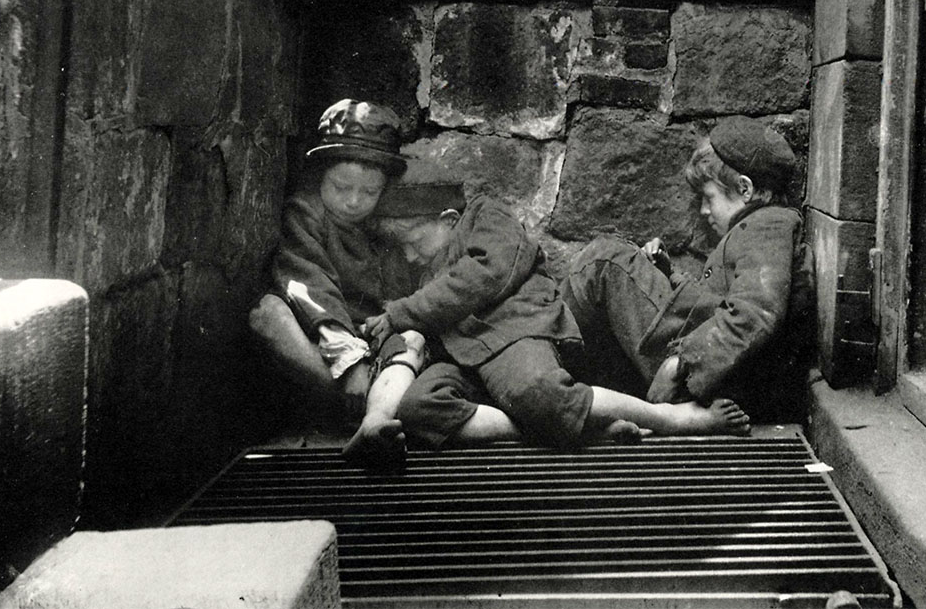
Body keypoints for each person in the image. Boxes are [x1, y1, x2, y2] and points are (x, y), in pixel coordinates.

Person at [370, 160, 753, 451]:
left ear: (449, 219)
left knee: (539, 391)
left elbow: (488, 272)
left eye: (415, 241)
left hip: (513, 332)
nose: (409, 254)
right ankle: (583, 426)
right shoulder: (417, 270)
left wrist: (404, 312)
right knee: (418, 410)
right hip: (466, 362)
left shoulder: (485, 217)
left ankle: (672, 418)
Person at [561, 115, 814, 423]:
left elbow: (755, 313)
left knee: (604, 262)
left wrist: (681, 363)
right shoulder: (760, 228)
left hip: (713, 380)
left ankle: (550, 385)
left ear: (745, 189)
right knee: (614, 260)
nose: (704, 211)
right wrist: (669, 274)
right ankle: (565, 388)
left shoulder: (768, 225)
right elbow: (719, 301)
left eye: (708, 198)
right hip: (718, 373)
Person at [248, 98, 425, 465]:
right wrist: (349, 363)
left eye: (369, 192)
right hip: (322, 344)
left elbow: (397, 301)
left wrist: (379, 344)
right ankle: (349, 407)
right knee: (267, 313)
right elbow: (309, 284)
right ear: (321, 177)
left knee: (413, 340)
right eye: (341, 187)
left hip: (371, 348)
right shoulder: (306, 212)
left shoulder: (385, 228)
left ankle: (375, 414)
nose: (354, 201)